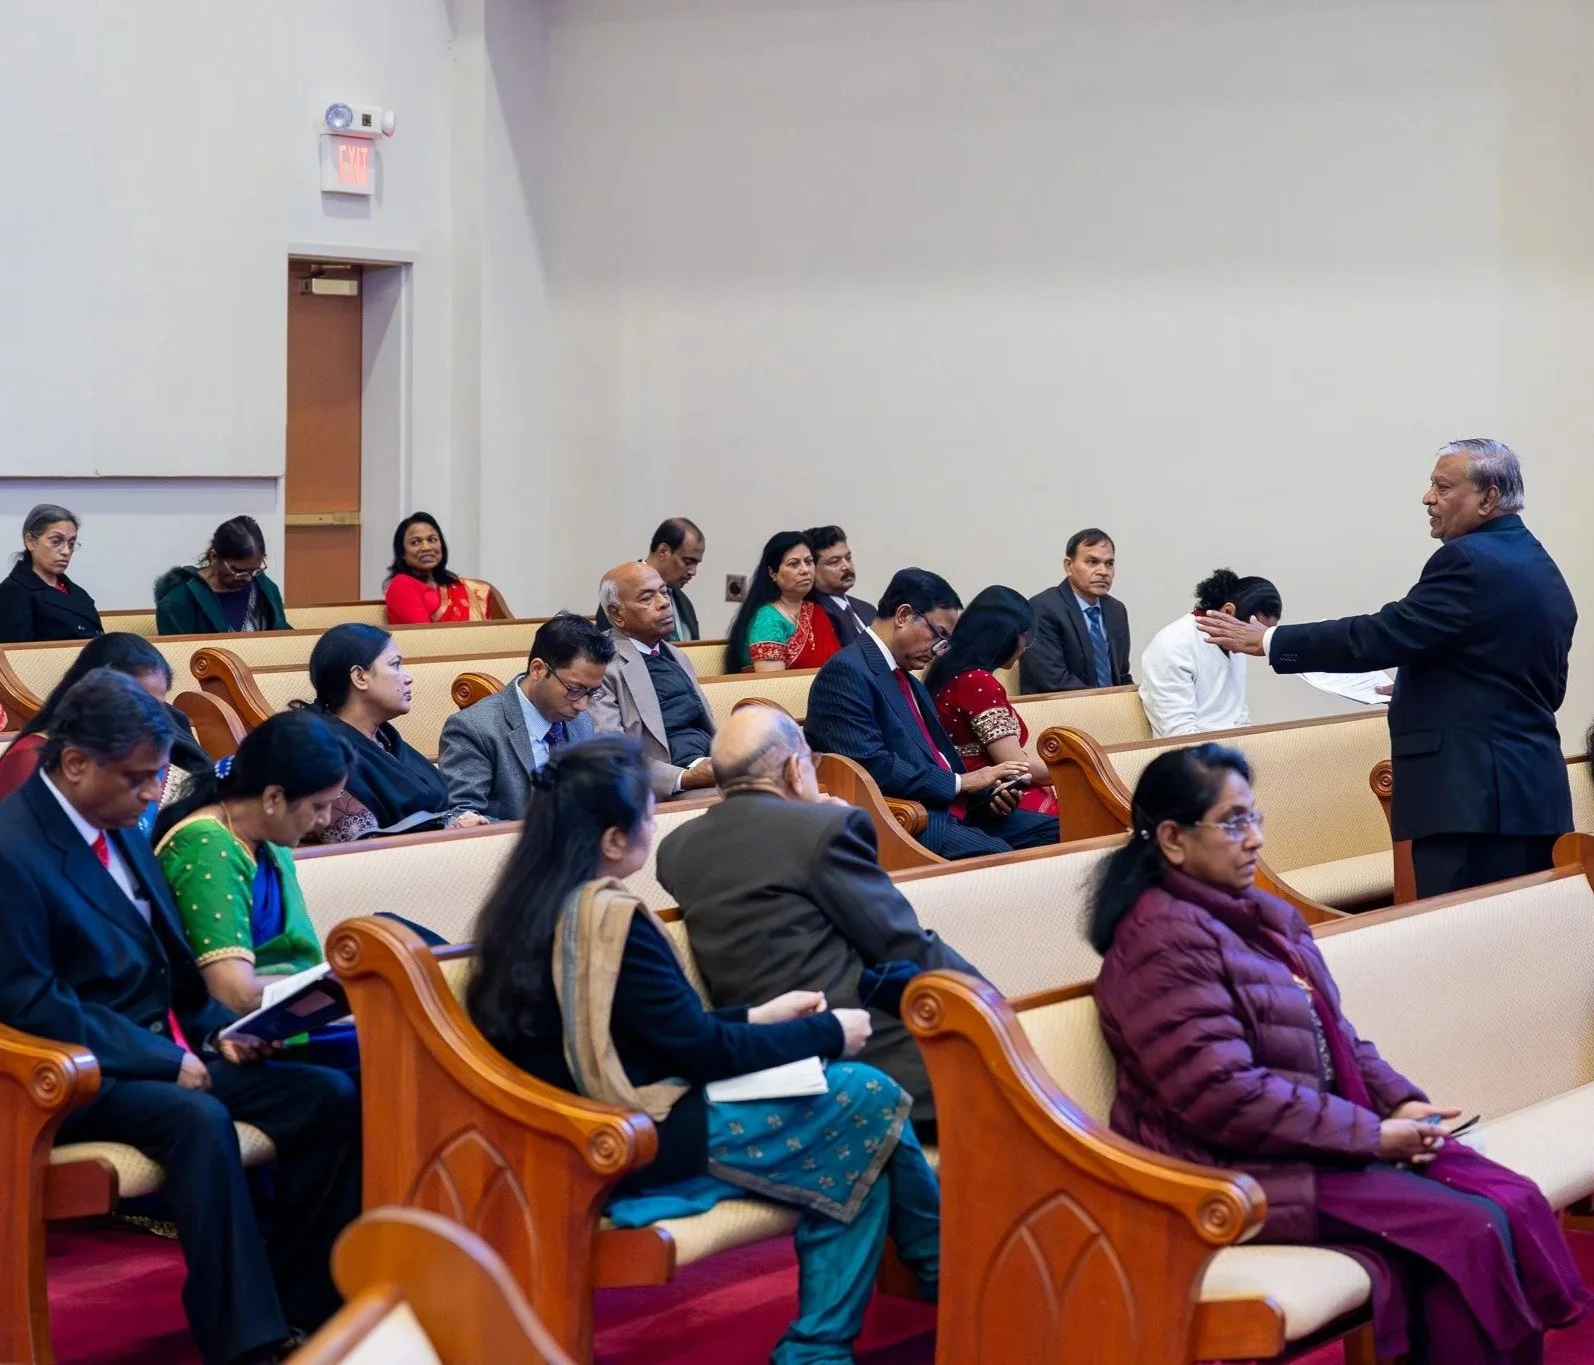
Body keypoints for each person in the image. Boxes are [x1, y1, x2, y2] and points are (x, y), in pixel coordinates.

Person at [1090, 742, 1588, 1363]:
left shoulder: (1263, 918)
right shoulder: (1159, 942)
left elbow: (1338, 1036)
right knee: (1467, 1228)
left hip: (1307, 1144)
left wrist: (1402, 1104)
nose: (1254, 841)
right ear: (1170, 838)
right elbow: (1222, 1095)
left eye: (1256, 818)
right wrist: (1372, 1137)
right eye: (1234, 822)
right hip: (1221, 1173)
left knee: (1507, 1196)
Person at [466, 736, 939, 1363]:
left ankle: (839, 1335)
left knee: (860, 1134)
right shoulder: (606, 917)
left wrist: (760, 1014)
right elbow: (694, 1050)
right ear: (612, 839)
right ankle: (933, 1277)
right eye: (646, 812)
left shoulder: (525, 905)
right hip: (627, 1132)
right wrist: (827, 1033)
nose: (655, 821)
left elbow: (653, 1031)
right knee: (865, 1091)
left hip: (589, 1114)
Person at [0, 668, 361, 1365]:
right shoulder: (14, 850)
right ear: (75, 763)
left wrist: (226, 1035)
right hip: (75, 1071)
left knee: (326, 1097)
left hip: (170, 1047)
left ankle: (307, 1305)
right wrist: (166, 1059)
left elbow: (169, 963)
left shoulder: (118, 822)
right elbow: (31, 1002)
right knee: (196, 1119)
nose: (151, 795)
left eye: (157, 776)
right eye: (138, 778)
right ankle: (245, 1339)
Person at [1198, 439, 1578, 898]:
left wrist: (1271, 640)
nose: (1427, 498)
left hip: (1473, 806)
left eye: (1442, 486)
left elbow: (1384, 633)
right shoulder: (1539, 564)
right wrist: (1433, 687)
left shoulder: (1468, 561)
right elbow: (1531, 684)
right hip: (1529, 796)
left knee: (1462, 952)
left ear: (1488, 497)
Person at [658, 706, 982, 1129]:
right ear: (795, 769)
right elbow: (902, 943)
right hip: (864, 1056)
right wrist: (988, 1002)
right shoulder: (824, 829)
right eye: (811, 762)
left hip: (761, 1055)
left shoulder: (676, 849)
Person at [805, 568, 1059, 859]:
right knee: (998, 857)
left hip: (950, 806)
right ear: (903, 616)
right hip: (909, 817)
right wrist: (964, 783)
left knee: (1062, 831)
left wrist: (986, 794)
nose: (940, 650)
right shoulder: (847, 671)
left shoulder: (909, 680)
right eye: (938, 634)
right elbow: (873, 766)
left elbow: (939, 756)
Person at [153, 711, 350, 1013]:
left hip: (290, 1014)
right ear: (273, 798)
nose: (325, 820)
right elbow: (234, 993)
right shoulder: (206, 843)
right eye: (319, 806)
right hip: (231, 1035)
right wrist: (346, 986)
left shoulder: (271, 837)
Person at [0, 632, 211, 830]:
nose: (151, 718)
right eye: (135, 704)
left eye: (158, 707)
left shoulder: (149, 743)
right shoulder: (30, 757)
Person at [296, 623, 486, 841]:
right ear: (359, 677)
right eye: (395, 665)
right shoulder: (323, 753)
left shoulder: (386, 740)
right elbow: (358, 848)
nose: (407, 677)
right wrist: (448, 834)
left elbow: (439, 809)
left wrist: (458, 823)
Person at [438, 612, 615, 822]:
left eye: (592, 692)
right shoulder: (474, 728)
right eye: (575, 689)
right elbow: (461, 816)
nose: (582, 705)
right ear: (538, 669)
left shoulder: (580, 721)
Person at [925, 585, 1057, 815]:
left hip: (975, 792)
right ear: (1003, 638)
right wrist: (1078, 769)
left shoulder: (947, 667)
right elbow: (1017, 768)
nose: (1025, 647)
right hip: (992, 798)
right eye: (1024, 637)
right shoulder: (977, 682)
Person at [593, 562, 718, 799]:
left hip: (713, 765)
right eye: (647, 598)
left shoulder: (676, 654)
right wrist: (685, 778)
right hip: (668, 784)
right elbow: (613, 754)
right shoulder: (603, 665)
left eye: (664, 591)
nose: (663, 602)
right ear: (617, 614)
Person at [1140, 569, 1283, 738]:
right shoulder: (1173, 645)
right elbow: (1179, 736)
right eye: (1253, 634)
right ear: (1228, 612)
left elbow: (1241, 720)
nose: (1254, 644)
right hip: (1186, 759)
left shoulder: (1236, 645)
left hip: (1231, 755)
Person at [1020, 528, 1131, 694]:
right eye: (1092, 562)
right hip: (1061, 711)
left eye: (1109, 564)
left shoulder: (1116, 610)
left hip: (1111, 710)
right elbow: (1053, 680)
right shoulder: (1043, 608)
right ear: (1068, 566)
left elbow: (1121, 675)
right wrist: (1106, 704)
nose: (1103, 571)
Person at [724, 531, 842, 673]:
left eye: (809, 562)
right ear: (773, 573)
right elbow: (774, 685)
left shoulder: (816, 611)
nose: (805, 570)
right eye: (793, 564)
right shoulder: (767, 620)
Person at [154, 516, 291, 635]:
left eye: (254, 570)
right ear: (214, 557)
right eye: (238, 570)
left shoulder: (265, 589)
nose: (248, 578)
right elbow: (179, 656)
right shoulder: (178, 601)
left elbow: (281, 637)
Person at [0, 503, 102, 643]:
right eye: (56, 541)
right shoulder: (12, 592)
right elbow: (16, 657)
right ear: (30, 542)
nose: (66, 551)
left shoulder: (75, 591)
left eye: (71, 543)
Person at [593, 517, 705, 642]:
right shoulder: (621, 590)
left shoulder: (684, 602)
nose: (693, 572)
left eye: (696, 564)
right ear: (663, 551)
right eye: (688, 561)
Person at [383, 513, 495, 624]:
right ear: (402, 553)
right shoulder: (401, 584)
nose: (426, 547)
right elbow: (423, 635)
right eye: (415, 542)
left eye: (432, 540)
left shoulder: (463, 587)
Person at [806, 525, 875, 645]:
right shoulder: (814, 614)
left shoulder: (867, 609)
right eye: (834, 562)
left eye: (848, 558)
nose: (846, 566)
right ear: (812, 569)